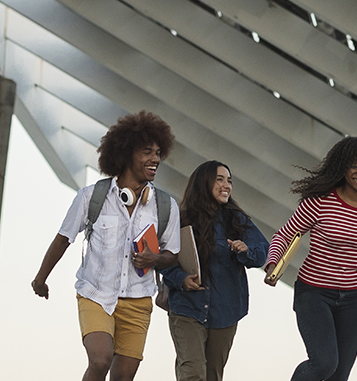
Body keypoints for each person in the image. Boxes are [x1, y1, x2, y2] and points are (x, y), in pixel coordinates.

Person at [31, 111, 184, 381]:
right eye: (147, 152)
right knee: (100, 361)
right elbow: (63, 239)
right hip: (96, 296)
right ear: (126, 154)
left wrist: (154, 259)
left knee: (123, 378)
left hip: (138, 301)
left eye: (158, 152)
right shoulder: (92, 197)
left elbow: (172, 254)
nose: (155, 159)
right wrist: (40, 279)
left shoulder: (165, 206)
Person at [264, 137, 357, 381]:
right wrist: (274, 263)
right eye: (354, 166)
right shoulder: (320, 201)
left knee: (340, 375)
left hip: (351, 300)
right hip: (314, 294)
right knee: (324, 364)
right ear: (341, 168)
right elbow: (285, 234)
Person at [158, 161, 269, 381]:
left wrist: (245, 250)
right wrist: (181, 279)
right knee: (192, 373)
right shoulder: (180, 219)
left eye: (229, 180)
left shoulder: (236, 219)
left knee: (212, 376)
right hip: (187, 308)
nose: (226, 185)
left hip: (225, 311)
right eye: (219, 179)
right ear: (203, 183)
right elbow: (163, 258)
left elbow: (262, 251)